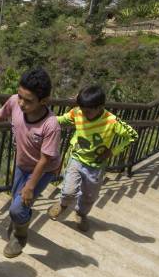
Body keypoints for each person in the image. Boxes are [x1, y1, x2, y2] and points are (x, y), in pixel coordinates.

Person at [0, 68, 61, 257]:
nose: (21, 103)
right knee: (16, 198)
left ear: (44, 101)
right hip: (22, 164)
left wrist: (31, 186)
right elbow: (0, 115)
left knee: (17, 207)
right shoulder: (15, 102)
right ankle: (18, 221)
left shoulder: (51, 125)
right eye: (20, 96)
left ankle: (20, 236)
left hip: (42, 169)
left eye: (28, 100)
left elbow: (46, 158)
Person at [48, 85, 139, 231]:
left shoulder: (112, 121)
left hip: (96, 165)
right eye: (82, 110)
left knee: (90, 195)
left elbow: (132, 136)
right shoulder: (78, 112)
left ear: (100, 107)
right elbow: (64, 120)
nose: (83, 114)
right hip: (76, 158)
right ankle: (63, 204)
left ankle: (81, 213)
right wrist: (44, 120)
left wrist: (112, 152)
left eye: (88, 111)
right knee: (68, 191)